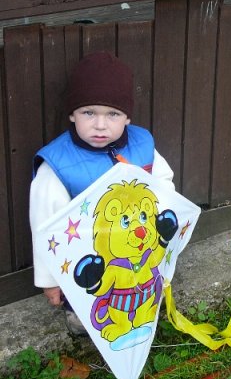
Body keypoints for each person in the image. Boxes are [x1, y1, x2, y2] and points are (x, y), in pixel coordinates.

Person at [30, 51, 175, 335]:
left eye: (113, 114)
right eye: (88, 112)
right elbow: (44, 227)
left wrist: (165, 226)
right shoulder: (58, 166)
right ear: (72, 114)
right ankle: (82, 317)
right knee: (87, 289)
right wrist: (49, 280)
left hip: (137, 252)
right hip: (88, 260)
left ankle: (140, 305)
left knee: (139, 283)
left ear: (127, 117)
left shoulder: (142, 146)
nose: (100, 125)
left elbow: (164, 185)